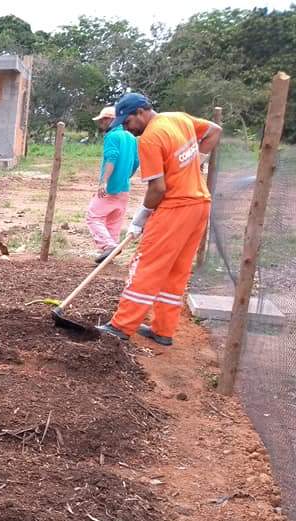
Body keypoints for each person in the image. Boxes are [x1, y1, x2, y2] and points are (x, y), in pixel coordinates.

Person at [97, 93, 221, 346]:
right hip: (199, 205)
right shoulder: (178, 118)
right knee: (176, 270)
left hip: (175, 207)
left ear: (141, 113)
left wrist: (141, 217)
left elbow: (158, 189)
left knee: (146, 265)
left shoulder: (151, 138)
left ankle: (121, 326)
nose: (129, 129)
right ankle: (163, 330)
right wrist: (197, 161)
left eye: (129, 122)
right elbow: (214, 130)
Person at [87, 106, 139, 264]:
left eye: (103, 120)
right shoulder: (131, 137)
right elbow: (136, 162)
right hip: (124, 187)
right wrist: (125, 176)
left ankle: (108, 246)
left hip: (111, 186)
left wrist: (104, 181)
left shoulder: (112, 136)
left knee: (93, 216)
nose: (101, 123)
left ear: (110, 120)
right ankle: (109, 253)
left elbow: (112, 157)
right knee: (113, 220)